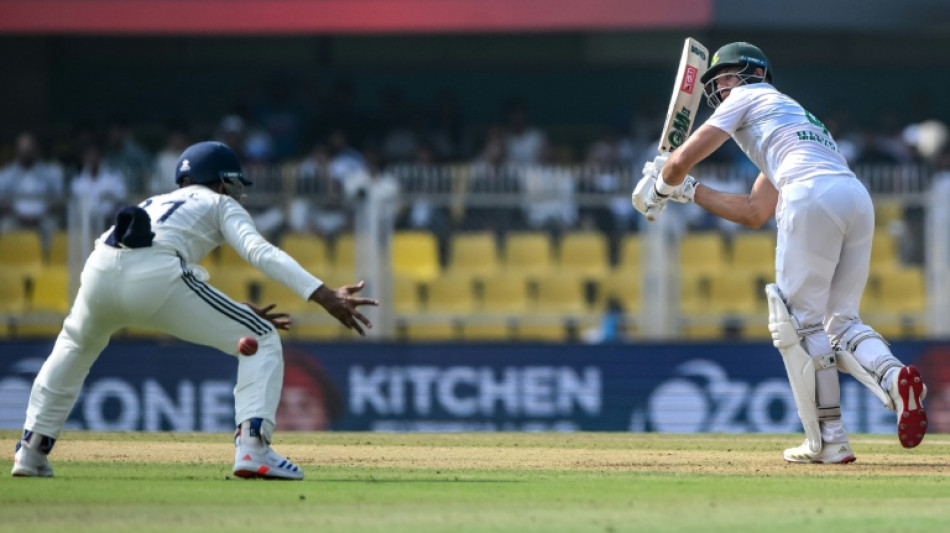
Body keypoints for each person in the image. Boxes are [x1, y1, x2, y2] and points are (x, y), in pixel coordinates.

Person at [632, 42, 928, 464]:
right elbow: (754, 212)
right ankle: (896, 377)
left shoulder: (748, 97)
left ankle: (827, 442)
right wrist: (687, 190)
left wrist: (660, 184)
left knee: (795, 325)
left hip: (809, 193)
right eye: (717, 83)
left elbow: (682, 159)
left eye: (727, 78)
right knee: (840, 323)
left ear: (753, 75)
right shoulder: (791, 117)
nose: (721, 89)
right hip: (854, 197)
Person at [11, 141, 378, 480]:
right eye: (233, 185)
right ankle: (253, 448)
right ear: (221, 182)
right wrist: (324, 294)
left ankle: (31, 451)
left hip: (99, 271)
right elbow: (259, 252)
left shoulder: (153, 201)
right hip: (157, 276)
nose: (236, 193)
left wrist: (232, 308)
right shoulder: (220, 203)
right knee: (261, 337)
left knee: (73, 348)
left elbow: (153, 260)